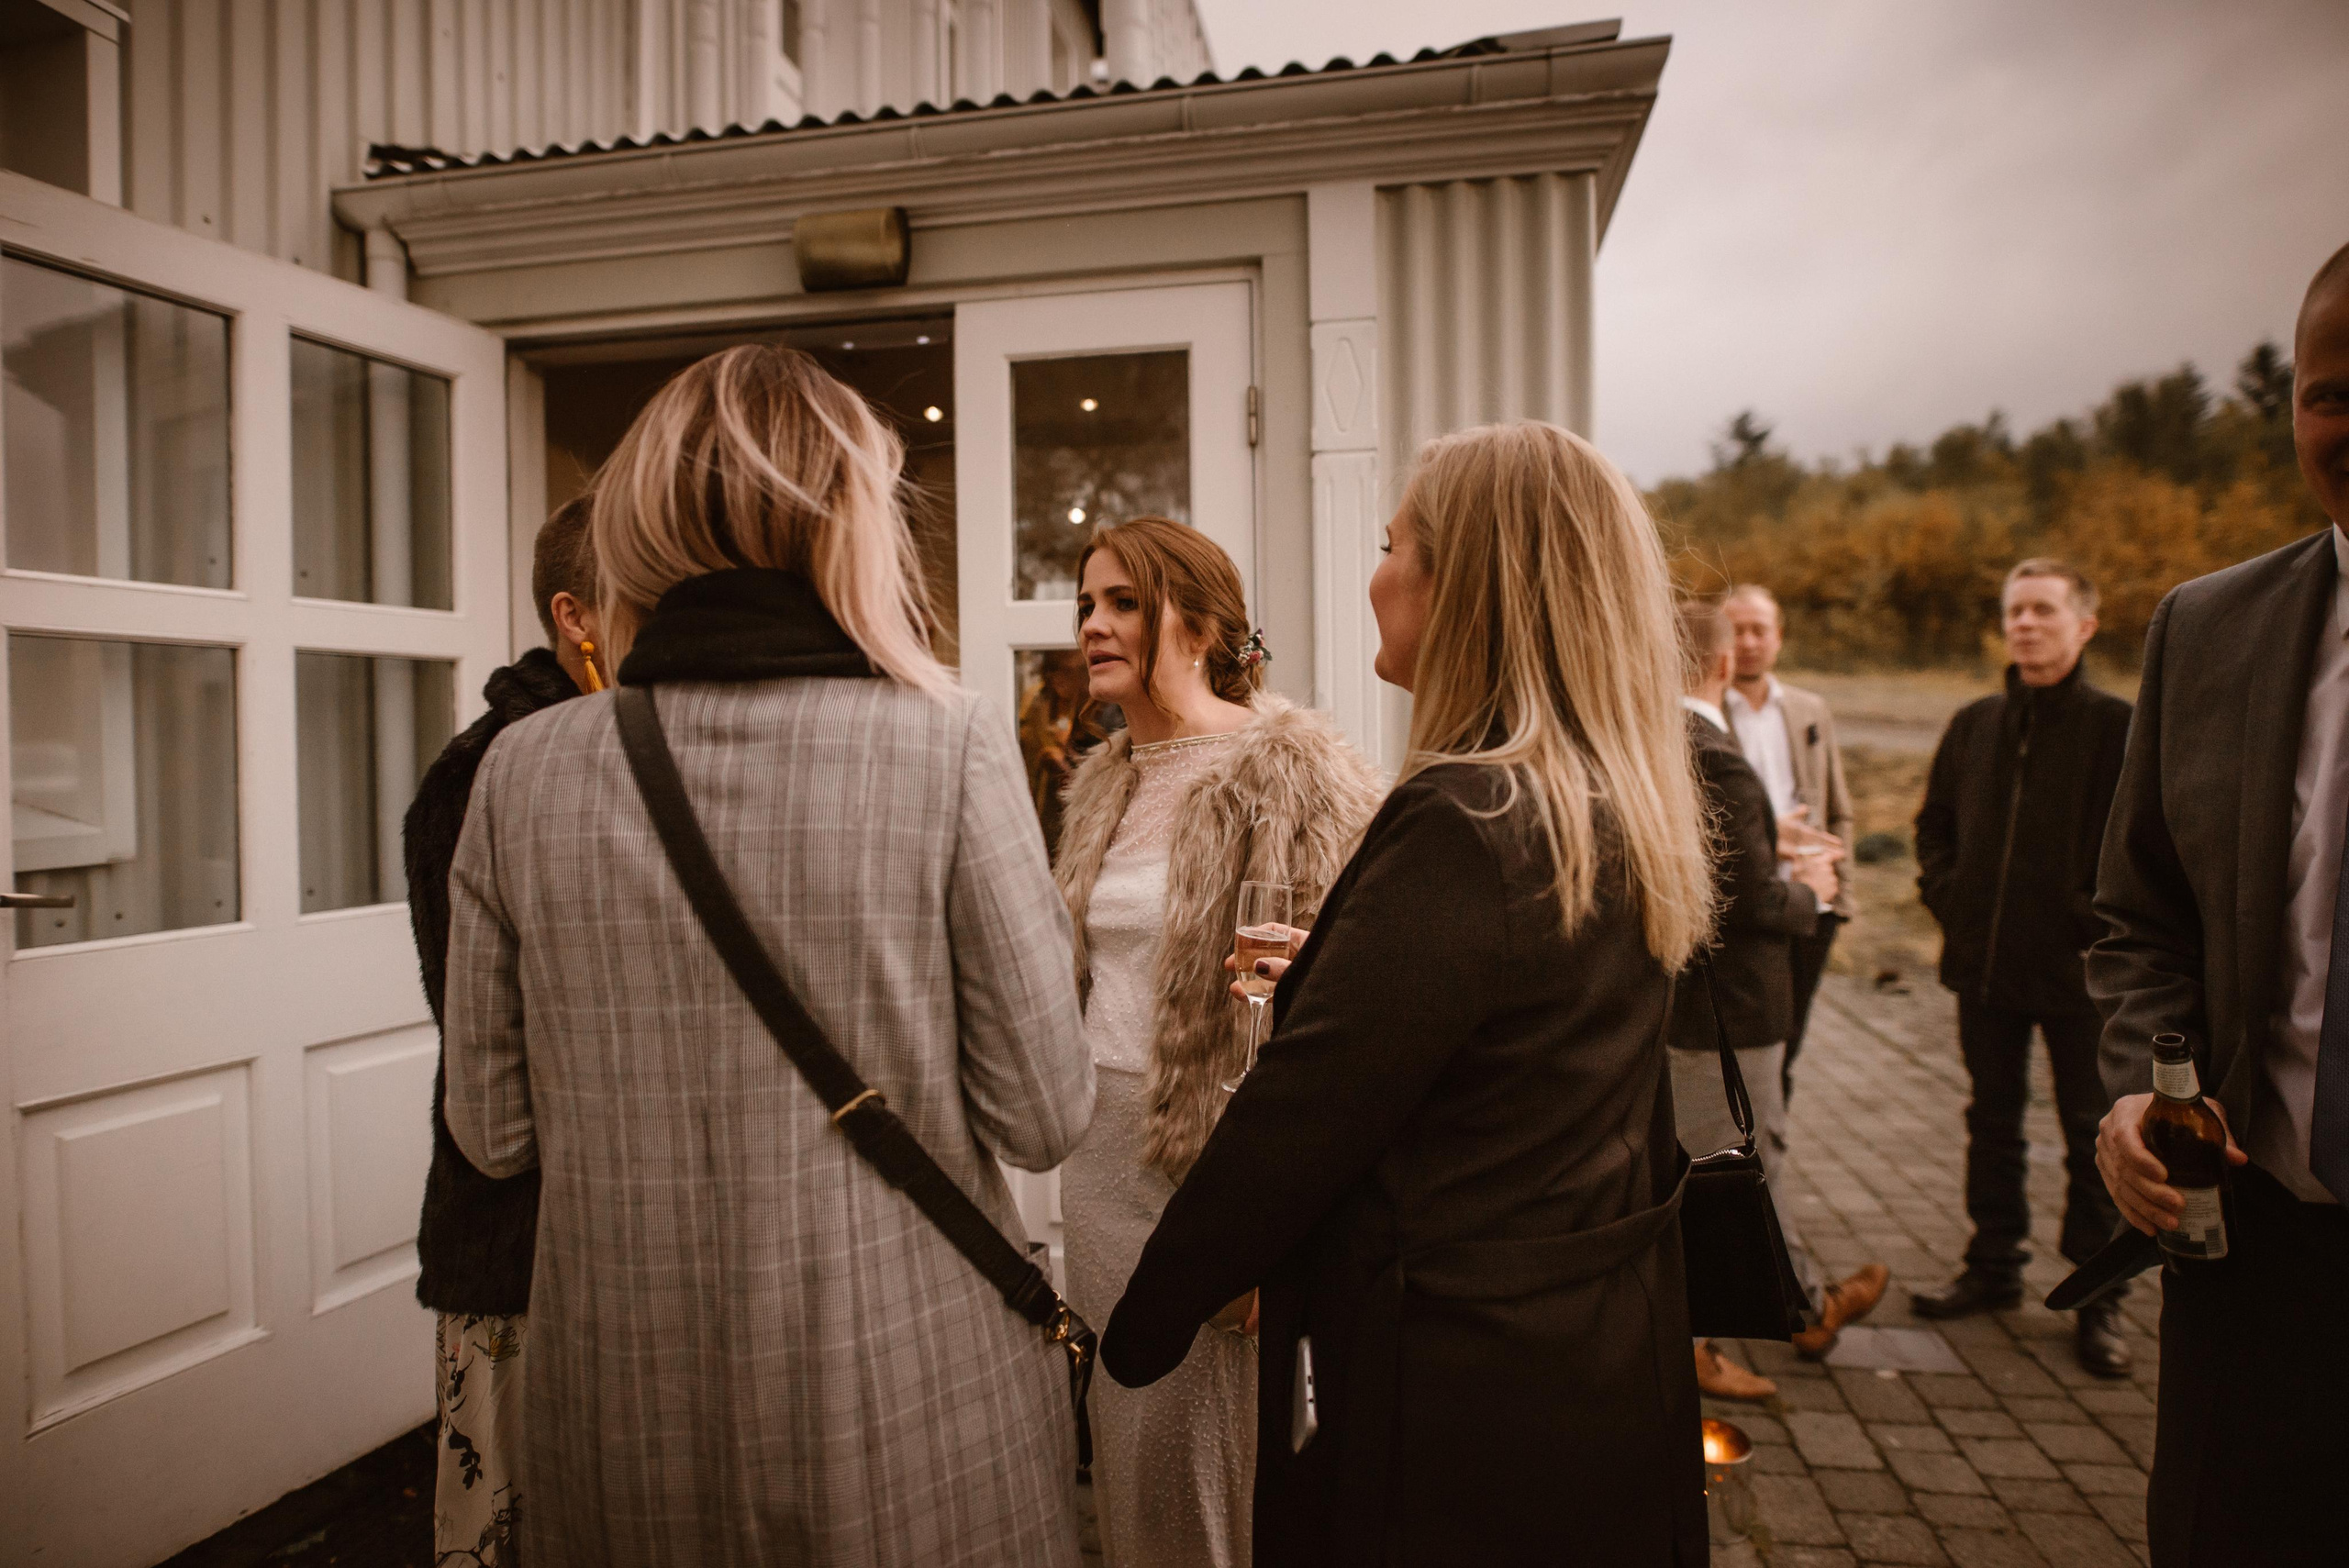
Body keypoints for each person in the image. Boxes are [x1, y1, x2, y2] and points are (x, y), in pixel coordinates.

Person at [441, 345, 1096, 1564]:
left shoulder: (517, 772)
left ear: (636, 522)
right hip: (911, 1408)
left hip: (617, 1421)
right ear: (851, 516)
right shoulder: (943, 744)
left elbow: (493, 1130)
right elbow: (1044, 1113)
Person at [1104, 421, 1715, 1564]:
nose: (1374, 573)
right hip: (1592, 1342)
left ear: (1467, 585)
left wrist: (1143, 1318)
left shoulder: (1461, 818)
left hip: (1457, 1388)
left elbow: (1305, 1116)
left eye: (1393, 544)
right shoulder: (1606, 795)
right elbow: (1517, 1045)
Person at [1052, 516, 1383, 1568]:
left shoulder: (1290, 770)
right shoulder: (1105, 775)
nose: (1094, 625)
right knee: (1129, 1448)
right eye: (1087, 605)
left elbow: (1362, 1005)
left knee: (1209, 1476)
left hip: (1214, 1169)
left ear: (1195, 625)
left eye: (1123, 603)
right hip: (1097, 1161)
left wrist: (1269, 1217)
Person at [2089, 241, 2349, 1565]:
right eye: (2333, 392)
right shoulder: (2211, 628)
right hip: (2253, 1268)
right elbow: (2140, 917)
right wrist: (2145, 1086)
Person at [404, 495, 601, 1562]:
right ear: (577, 617)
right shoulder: (488, 773)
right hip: (514, 1236)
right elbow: (487, 1044)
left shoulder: (609, 748)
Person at [1910, 560, 2134, 1379]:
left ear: (2085, 623)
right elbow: (1933, 825)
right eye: (2015, 611)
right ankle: (1993, 1265)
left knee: (2092, 1133)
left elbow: (2139, 849)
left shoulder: (2120, 728)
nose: (2026, 624)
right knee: (1992, 1120)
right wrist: (1951, 900)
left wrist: (2089, 922)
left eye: (2043, 610)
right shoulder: (1974, 724)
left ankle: (2097, 1295)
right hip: (1986, 967)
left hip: (2081, 976)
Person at [1676, 597, 1887, 1399]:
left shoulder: (1667, 741)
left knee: (1748, 1153)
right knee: (1744, 1160)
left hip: (1694, 1001)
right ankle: (1758, 1318)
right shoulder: (1714, 752)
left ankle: (1802, 1302)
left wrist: (1775, 838)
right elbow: (1750, 904)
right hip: (1731, 1001)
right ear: (1724, 664)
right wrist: (1811, 887)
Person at [1722, 584, 1856, 1100]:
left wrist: (1837, 897)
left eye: (1760, 629)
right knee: (1748, 1051)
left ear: (1779, 637)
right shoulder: (1703, 714)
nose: (1749, 641)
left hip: (1812, 908)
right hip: (1749, 909)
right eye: (1737, 630)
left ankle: (1770, 1150)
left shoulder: (1808, 709)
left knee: (1790, 1048)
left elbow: (1839, 806)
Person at [1019, 646, 1096, 854]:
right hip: (1041, 807)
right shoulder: (1037, 703)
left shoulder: (1095, 710)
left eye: (1066, 670)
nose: (1057, 677)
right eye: (1052, 670)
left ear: (1082, 674)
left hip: (1081, 816)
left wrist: (1064, 762)